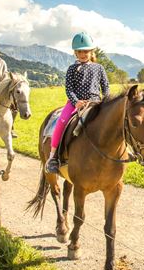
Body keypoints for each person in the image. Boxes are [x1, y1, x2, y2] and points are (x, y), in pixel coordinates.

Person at [46, 32, 110, 173]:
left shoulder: (99, 68)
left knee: (111, 122)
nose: (83, 54)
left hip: (96, 102)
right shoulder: (72, 69)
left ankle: (123, 150)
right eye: (80, 51)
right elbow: (69, 89)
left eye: (86, 51)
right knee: (61, 123)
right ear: (75, 53)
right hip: (75, 103)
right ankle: (53, 156)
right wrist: (76, 102)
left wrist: (106, 101)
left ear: (91, 51)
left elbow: (105, 86)